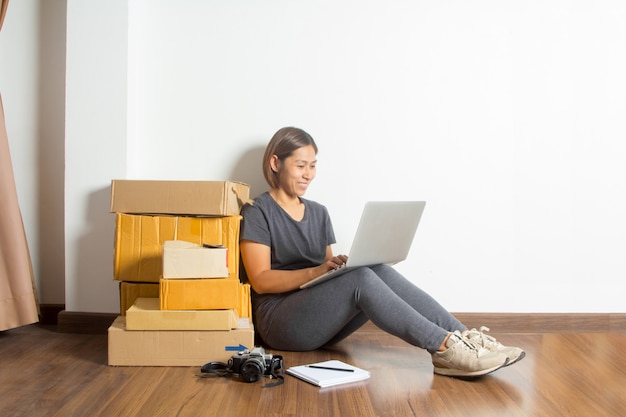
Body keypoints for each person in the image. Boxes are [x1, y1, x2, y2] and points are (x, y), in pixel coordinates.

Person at [239, 127, 524, 378]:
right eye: (301, 165)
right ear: (276, 162)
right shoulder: (258, 211)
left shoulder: (319, 212)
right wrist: (319, 271)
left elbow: (323, 271)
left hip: (316, 317)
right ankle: (445, 348)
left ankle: (466, 337)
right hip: (278, 322)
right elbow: (261, 280)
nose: (309, 174)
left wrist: (335, 268)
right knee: (360, 278)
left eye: (313, 165)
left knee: (376, 269)